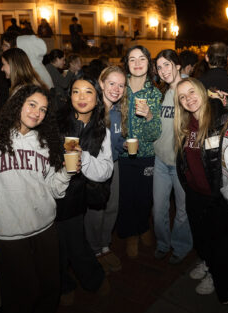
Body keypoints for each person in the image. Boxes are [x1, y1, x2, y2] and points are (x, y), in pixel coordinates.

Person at [0, 84, 71, 313]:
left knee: (51, 288)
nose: (37, 112)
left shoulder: (46, 143)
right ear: (17, 103)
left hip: (44, 229)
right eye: (32, 104)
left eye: (43, 109)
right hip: (8, 234)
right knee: (21, 294)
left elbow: (55, 191)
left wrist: (66, 172)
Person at [55, 73, 113, 305]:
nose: (81, 97)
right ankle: (65, 284)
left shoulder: (102, 132)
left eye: (88, 91)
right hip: (47, 193)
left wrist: (84, 157)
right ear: (69, 96)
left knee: (74, 242)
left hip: (76, 197)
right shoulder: (55, 121)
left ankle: (90, 280)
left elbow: (106, 170)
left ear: (97, 98)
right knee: (57, 247)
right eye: (75, 91)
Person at [173, 77, 228, 295]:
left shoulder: (220, 119)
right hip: (194, 192)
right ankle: (206, 262)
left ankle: (216, 274)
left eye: (192, 92)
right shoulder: (185, 124)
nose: (188, 99)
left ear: (203, 92)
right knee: (201, 235)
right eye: (182, 97)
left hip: (216, 195)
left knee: (217, 237)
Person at [117, 45, 162, 258]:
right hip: (121, 155)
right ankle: (130, 235)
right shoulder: (118, 87)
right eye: (132, 59)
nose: (137, 64)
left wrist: (150, 116)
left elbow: (155, 134)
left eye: (142, 59)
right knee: (126, 197)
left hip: (146, 155)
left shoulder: (154, 92)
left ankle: (143, 228)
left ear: (149, 63)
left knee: (145, 196)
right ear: (126, 63)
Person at [84, 66, 126, 274]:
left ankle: (105, 244)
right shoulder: (89, 109)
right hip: (94, 169)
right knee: (95, 211)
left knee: (112, 208)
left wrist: (123, 145)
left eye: (121, 85)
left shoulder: (118, 112)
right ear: (101, 83)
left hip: (114, 165)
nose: (116, 89)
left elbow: (116, 143)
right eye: (112, 83)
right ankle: (94, 249)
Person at [152, 49, 192, 265]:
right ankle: (163, 243)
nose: (163, 70)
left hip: (181, 163)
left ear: (177, 65)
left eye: (167, 64)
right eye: (159, 67)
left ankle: (181, 245)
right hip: (160, 160)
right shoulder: (163, 92)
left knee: (183, 211)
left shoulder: (190, 89)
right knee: (158, 210)